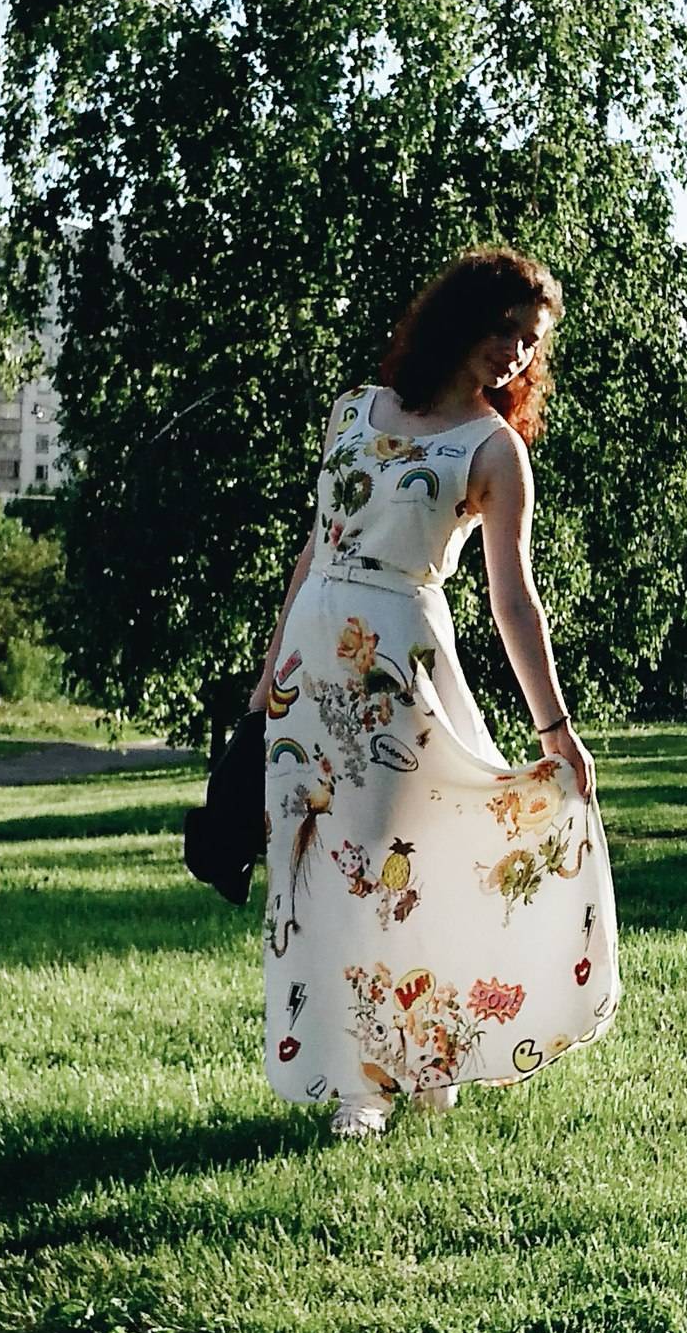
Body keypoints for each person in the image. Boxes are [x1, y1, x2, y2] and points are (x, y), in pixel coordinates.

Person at [248, 244, 620, 1140]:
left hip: (397, 665)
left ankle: (387, 1077)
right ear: (462, 317)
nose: (517, 354)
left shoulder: (494, 449)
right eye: (507, 330)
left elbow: (512, 598)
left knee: (384, 863)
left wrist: (555, 726)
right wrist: (267, 675)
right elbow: (315, 546)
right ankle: (389, 1063)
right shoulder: (353, 410)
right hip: (311, 667)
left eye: (532, 343)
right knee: (312, 870)